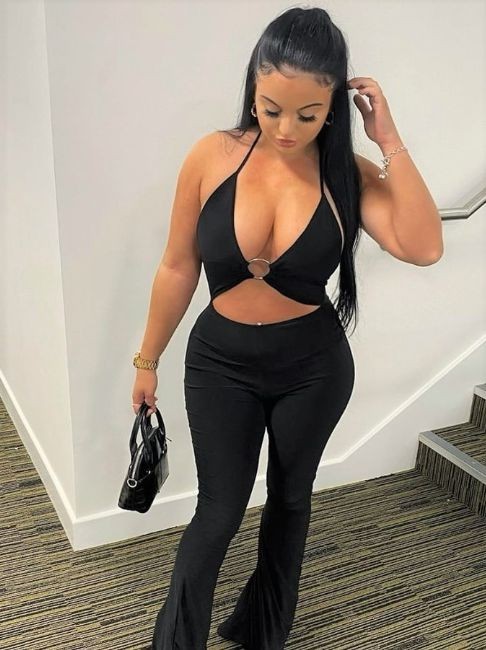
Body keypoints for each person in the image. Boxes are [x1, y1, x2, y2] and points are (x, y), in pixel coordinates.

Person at [131, 6, 443, 650]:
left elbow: (423, 247)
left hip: (313, 370)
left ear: (333, 107)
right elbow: (177, 265)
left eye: (308, 114)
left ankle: (262, 630)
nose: (286, 129)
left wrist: (388, 139)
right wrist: (146, 361)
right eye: (271, 108)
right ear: (253, 88)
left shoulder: (346, 174)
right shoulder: (211, 155)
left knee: (290, 500)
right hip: (219, 365)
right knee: (218, 511)